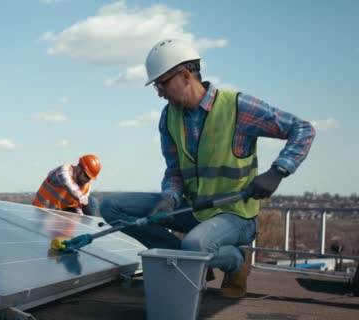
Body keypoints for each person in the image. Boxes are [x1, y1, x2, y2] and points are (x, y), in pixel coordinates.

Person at [100, 39, 315, 298]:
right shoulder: (169, 117)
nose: (159, 92)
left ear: (186, 75)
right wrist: (169, 197)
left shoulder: (237, 107)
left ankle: (234, 260)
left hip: (235, 213)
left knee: (194, 244)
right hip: (193, 207)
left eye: (161, 83)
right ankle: (191, 260)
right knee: (112, 207)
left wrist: (279, 170)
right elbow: (174, 170)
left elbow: (302, 129)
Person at [33, 154, 101, 216]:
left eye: (90, 178)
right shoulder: (64, 170)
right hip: (42, 212)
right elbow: (70, 187)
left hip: (59, 216)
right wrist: (83, 200)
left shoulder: (86, 185)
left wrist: (81, 221)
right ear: (79, 168)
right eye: (86, 176)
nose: (88, 180)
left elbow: (78, 207)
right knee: (89, 202)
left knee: (92, 202)